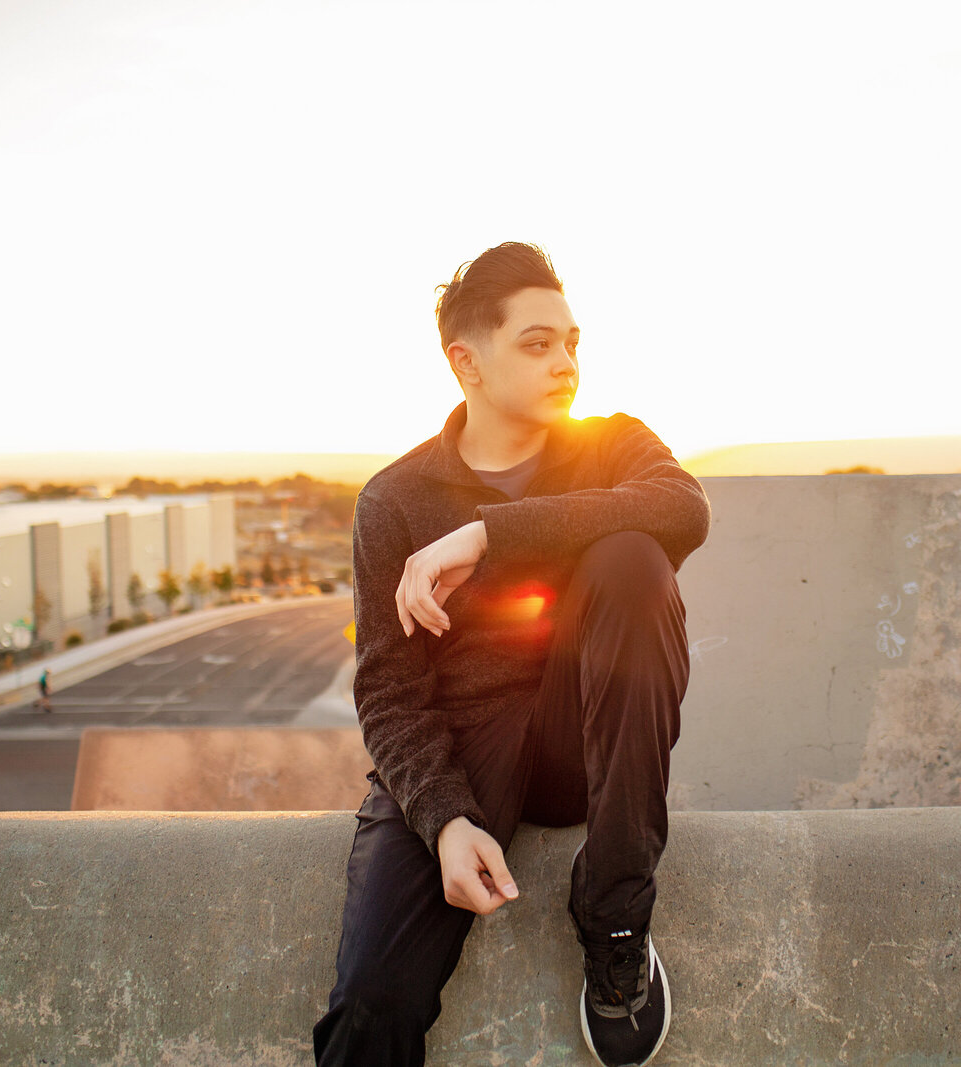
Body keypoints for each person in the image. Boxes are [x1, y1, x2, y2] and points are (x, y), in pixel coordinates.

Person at [312, 242, 710, 1066]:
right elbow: (388, 689)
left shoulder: (613, 444)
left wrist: (492, 535)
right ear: (467, 362)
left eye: (572, 341)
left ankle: (615, 916)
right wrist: (444, 818)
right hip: (461, 747)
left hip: (578, 735)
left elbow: (684, 510)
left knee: (634, 558)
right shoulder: (395, 499)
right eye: (538, 344)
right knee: (370, 1005)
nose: (566, 363)